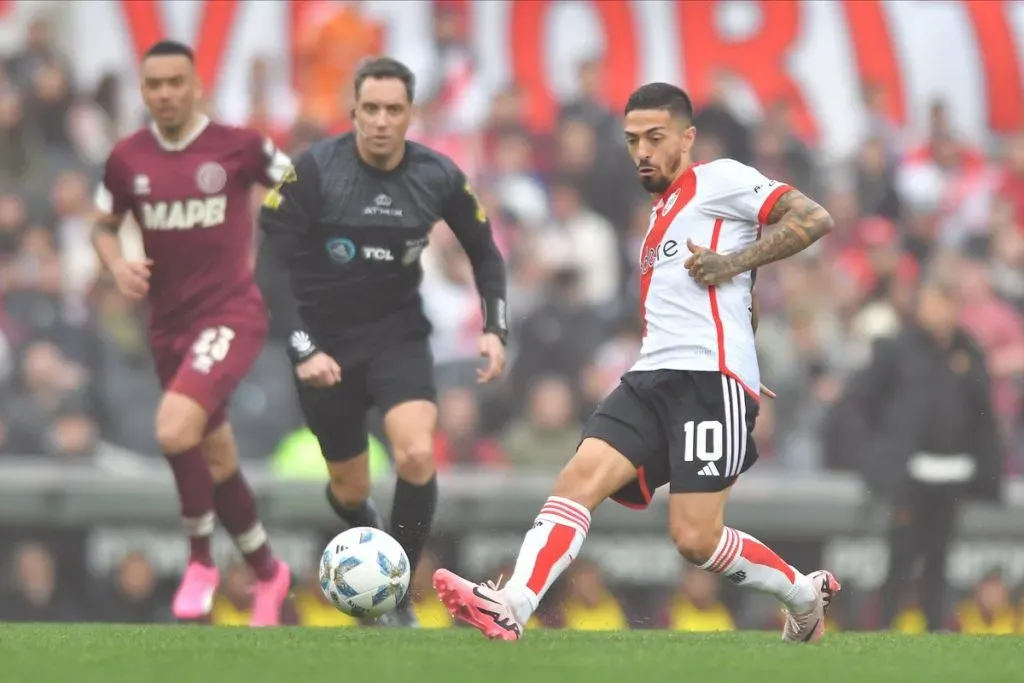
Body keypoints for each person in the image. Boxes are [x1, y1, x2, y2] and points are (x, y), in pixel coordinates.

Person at [432, 82, 838, 643]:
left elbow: (814, 218)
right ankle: (514, 604)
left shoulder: (719, 178)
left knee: (695, 538)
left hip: (707, 378)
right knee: (579, 478)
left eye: (655, 137)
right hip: (650, 375)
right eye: (632, 141)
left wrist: (734, 272)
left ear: (687, 138)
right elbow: (740, 292)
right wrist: (741, 311)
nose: (642, 151)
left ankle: (803, 594)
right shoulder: (658, 214)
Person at [258, 57, 507, 627]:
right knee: (349, 487)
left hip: (397, 334)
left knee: (417, 452)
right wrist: (302, 347)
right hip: (324, 341)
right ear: (354, 113)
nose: (380, 120)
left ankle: (393, 593)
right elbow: (270, 267)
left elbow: (485, 250)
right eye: (370, 108)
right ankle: (365, 531)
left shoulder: (437, 175)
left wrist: (496, 327)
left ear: (410, 115)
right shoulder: (314, 172)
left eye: (393, 110)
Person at [91, 40, 292, 625]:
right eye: (153, 84)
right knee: (217, 457)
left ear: (196, 85)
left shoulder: (240, 146)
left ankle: (201, 561)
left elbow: (303, 184)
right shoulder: (127, 159)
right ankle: (267, 572)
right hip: (167, 328)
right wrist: (116, 262)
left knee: (174, 428)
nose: (165, 94)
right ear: (144, 90)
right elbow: (102, 224)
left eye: (175, 82)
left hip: (232, 314)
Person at [827, 279, 1002, 631]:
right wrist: (877, 455)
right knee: (901, 557)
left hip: (953, 472)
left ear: (953, 307)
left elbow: (984, 414)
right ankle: (887, 627)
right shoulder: (897, 350)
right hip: (908, 472)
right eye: (926, 304)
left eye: (938, 303)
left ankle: (936, 627)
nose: (931, 311)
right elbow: (860, 403)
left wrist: (986, 469)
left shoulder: (969, 351)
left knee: (939, 560)